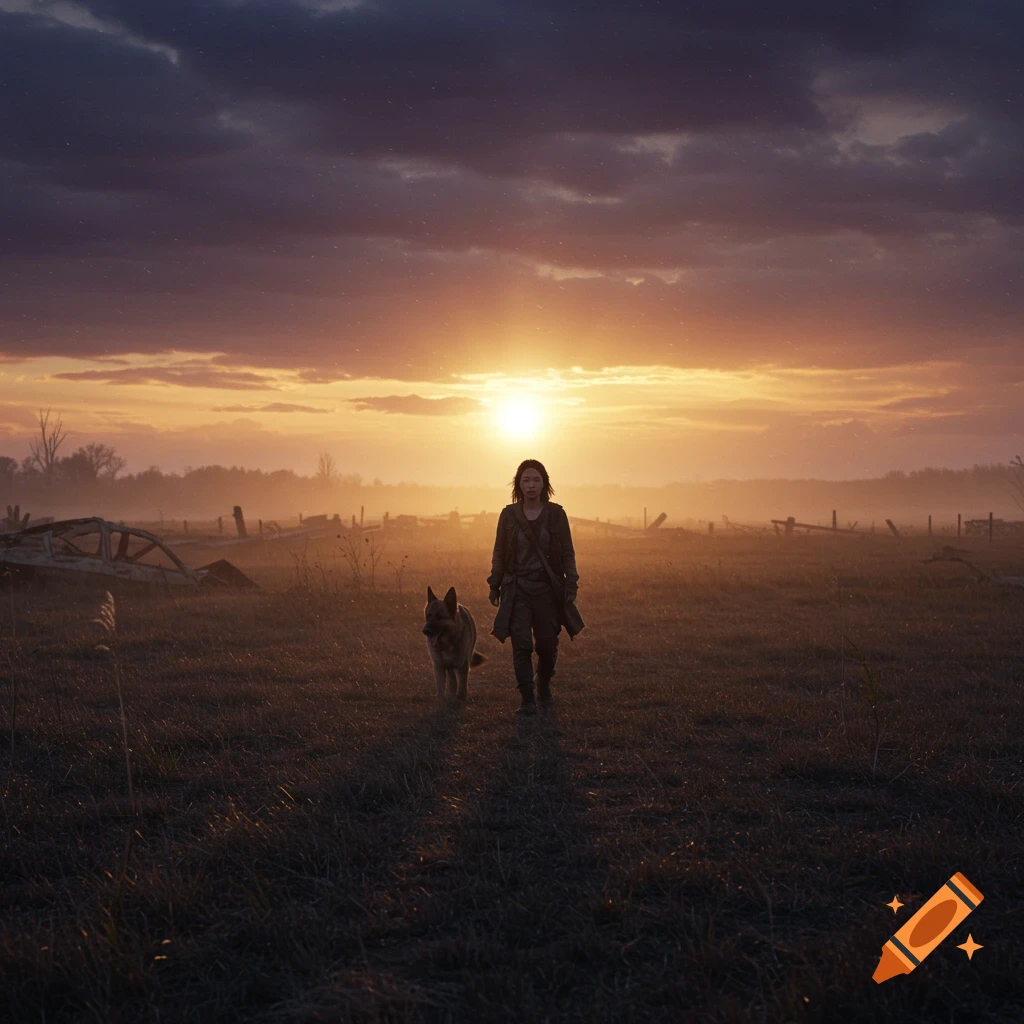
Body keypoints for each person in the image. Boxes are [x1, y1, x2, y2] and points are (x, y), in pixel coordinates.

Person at [487, 459, 579, 715]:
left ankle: (544, 684)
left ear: (544, 483)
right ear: (518, 483)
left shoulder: (556, 514)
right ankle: (527, 700)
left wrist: (571, 583)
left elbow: (568, 552)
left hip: (547, 589)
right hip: (516, 588)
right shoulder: (508, 515)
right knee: (522, 645)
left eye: (536, 480)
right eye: (525, 480)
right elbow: (499, 551)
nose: (530, 485)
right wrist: (495, 585)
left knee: (547, 645)